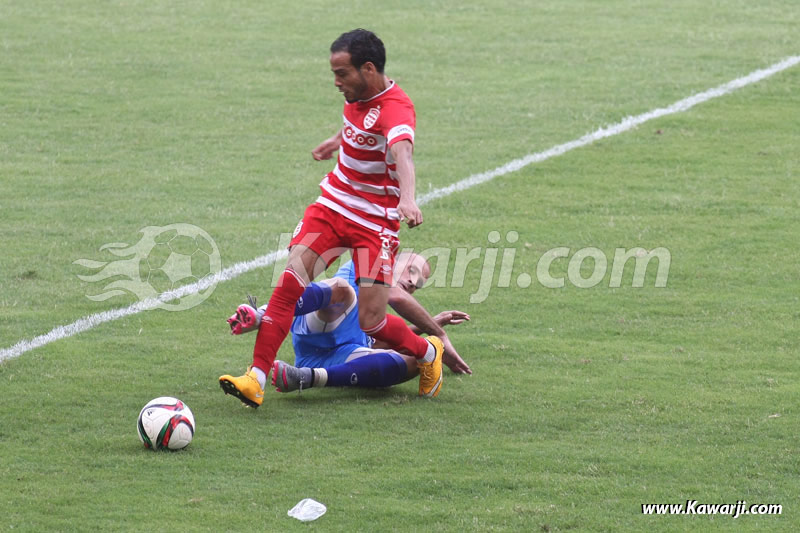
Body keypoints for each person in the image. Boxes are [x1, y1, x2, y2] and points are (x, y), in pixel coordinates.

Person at [219, 29, 444, 408]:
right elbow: (361, 124)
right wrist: (338, 140)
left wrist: (408, 198)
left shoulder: (397, 109)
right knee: (290, 281)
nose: (337, 82)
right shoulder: (359, 94)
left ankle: (427, 353)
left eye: (342, 74)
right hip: (333, 205)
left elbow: (402, 153)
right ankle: (255, 378)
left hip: (374, 223)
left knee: (373, 321)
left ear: (368, 69)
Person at [227, 252, 471, 395]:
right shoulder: (372, 261)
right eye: (411, 271)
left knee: (417, 360)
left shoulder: (379, 311)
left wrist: (427, 333)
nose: (411, 282)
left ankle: (306, 377)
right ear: (394, 260)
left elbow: (379, 342)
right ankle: (262, 315)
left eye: (417, 284)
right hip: (320, 321)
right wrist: (437, 332)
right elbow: (395, 295)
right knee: (343, 290)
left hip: (330, 355)